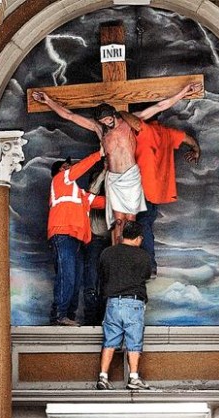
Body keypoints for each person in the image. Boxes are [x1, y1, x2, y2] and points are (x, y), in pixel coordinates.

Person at [32, 83, 201, 243]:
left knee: (130, 220)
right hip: (113, 178)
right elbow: (70, 115)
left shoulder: (129, 122)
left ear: (113, 114)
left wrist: (184, 92)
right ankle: (117, 252)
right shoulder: (100, 130)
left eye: (108, 120)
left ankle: (129, 252)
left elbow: (159, 106)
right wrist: (48, 101)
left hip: (131, 176)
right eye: (103, 122)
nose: (107, 124)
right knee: (118, 221)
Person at [47, 149, 105, 326]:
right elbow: (80, 169)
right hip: (63, 234)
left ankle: (68, 316)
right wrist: (99, 154)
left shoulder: (78, 193)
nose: (70, 167)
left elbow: (102, 202)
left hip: (76, 240)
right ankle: (59, 315)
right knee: (67, 275)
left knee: (75, 277)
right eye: (67, 166)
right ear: (61, 170)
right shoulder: (60, 180)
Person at [135, 119, 200, 276]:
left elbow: (131, 121)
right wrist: (196, 149)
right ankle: (149, 265)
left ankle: (148, 265)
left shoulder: (144, 130)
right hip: (157, 192)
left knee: (141, 225)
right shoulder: (168, 133)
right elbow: (189, 140)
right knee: (146, 225)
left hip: (142, 188)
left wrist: (121, 114)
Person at [96, 221, 151, 390]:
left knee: (110, 340)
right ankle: (134, 377)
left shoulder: (107, 253)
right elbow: (146, 275)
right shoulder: (143, 256)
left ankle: (103, 377)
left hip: (112, 302)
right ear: (138, 238)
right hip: (133, 302)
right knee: (134, 340)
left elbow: (101, 274)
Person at [82, 165, 111, 325]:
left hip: (109, 243)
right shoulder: (91, 199)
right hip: (94, 241)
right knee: (91, 281)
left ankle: (102, 319)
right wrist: (103, 171)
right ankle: (90, 320)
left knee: (106, 283)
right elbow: (92, 190)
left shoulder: (111, 198)